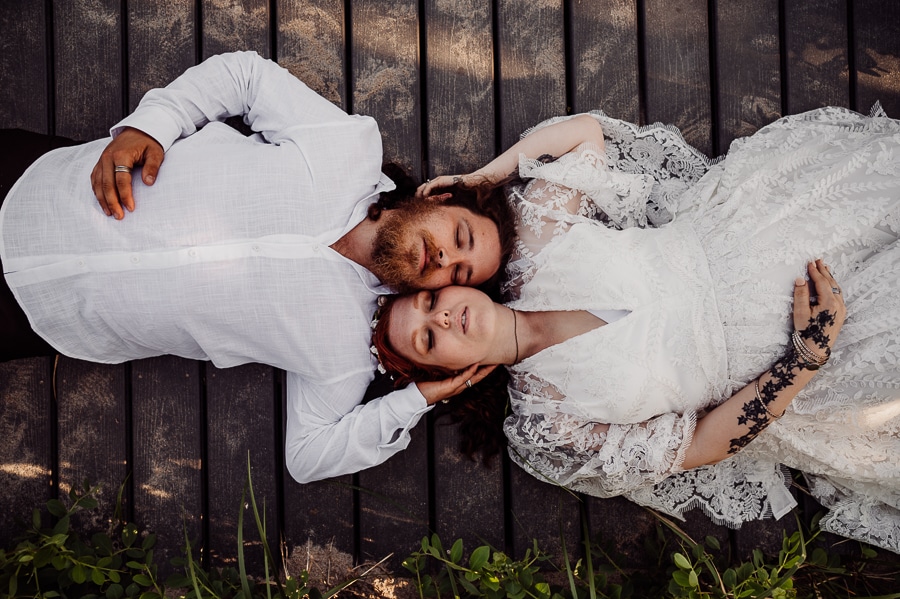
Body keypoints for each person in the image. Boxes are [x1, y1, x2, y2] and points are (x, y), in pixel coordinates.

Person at [0, 49, 572, 482]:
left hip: (41, 316)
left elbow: (308, 458)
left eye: (460, 274)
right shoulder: (346, 150)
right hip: (42, 187)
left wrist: (418, 397)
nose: (446, 258)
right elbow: (247, 77)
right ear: (440, 201)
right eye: (461, 238)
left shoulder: (344, 355)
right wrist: (153, 123)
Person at [372, 109, 900, 552]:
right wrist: (807, 357)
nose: (440, 316)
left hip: (764, 239)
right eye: (428, 339)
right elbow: (700, 444)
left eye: (429, 299)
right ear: (453, 374)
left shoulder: (533, 252)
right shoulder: (548, 425)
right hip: (795, 362)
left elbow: (582, 136)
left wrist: (479, 180)